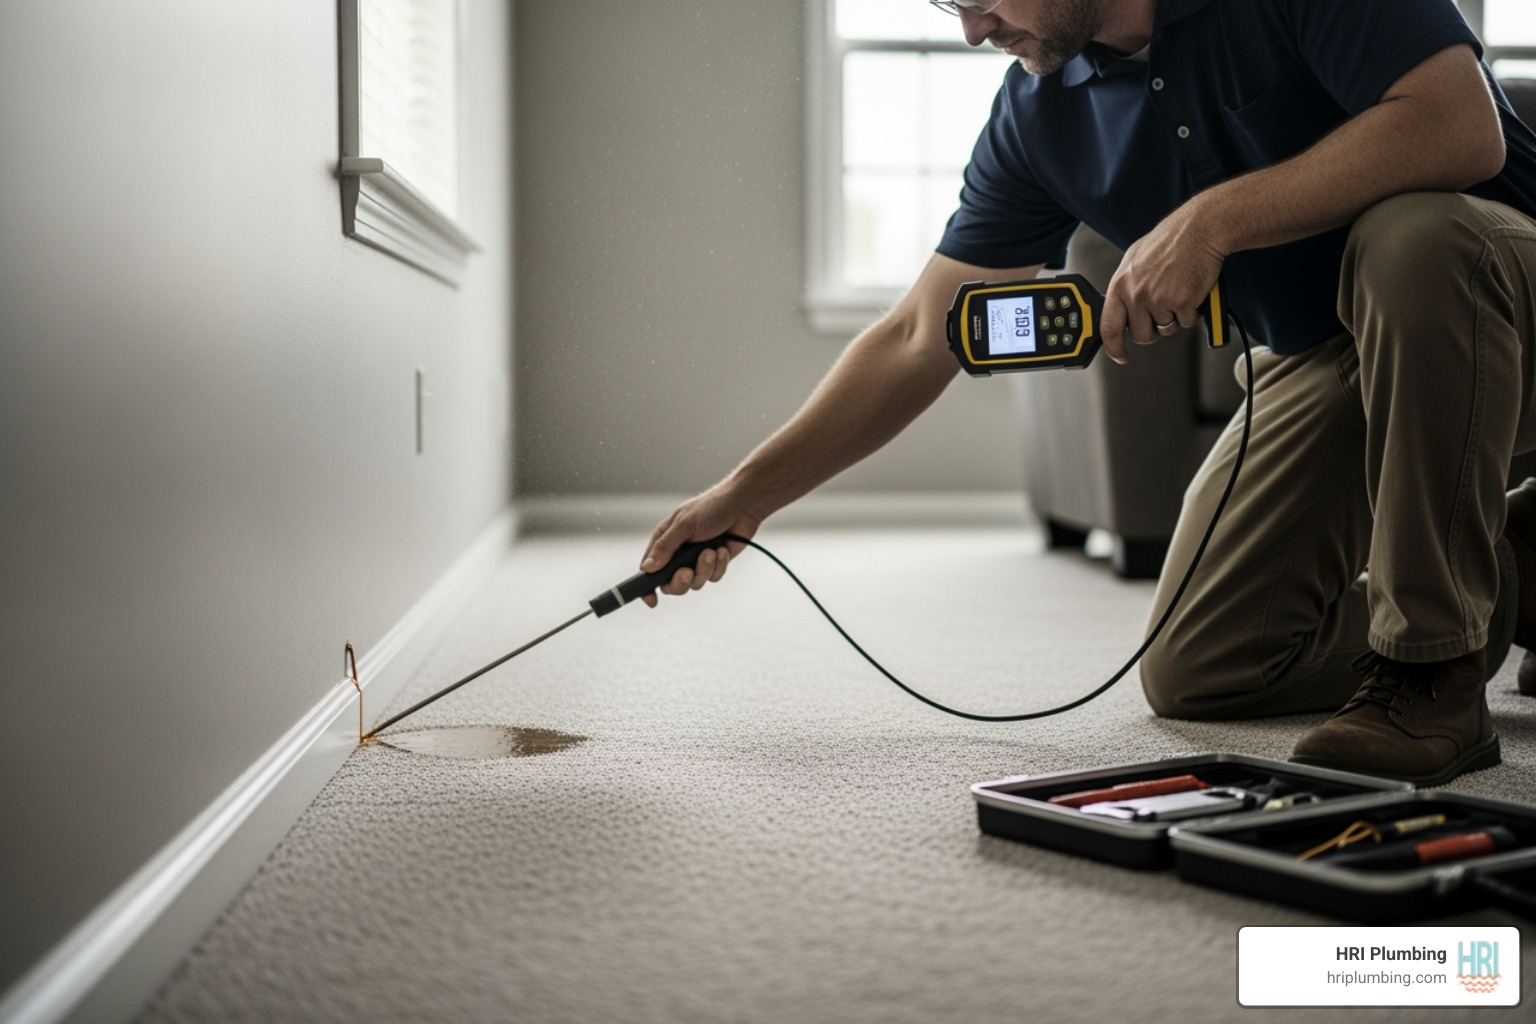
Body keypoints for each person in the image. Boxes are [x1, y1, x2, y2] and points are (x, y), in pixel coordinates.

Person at [636, 0, 1536, 786]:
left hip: (1494, 300)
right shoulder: (1036, 114)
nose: (973, 29)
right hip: (1324, 350)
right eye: (949, 3)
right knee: (1206, 665)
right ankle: (1523, 577)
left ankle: (1433, 674)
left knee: (1412, 236)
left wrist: (1212, 219)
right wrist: (744, 498)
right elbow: (918, 335)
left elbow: (1459, 126)